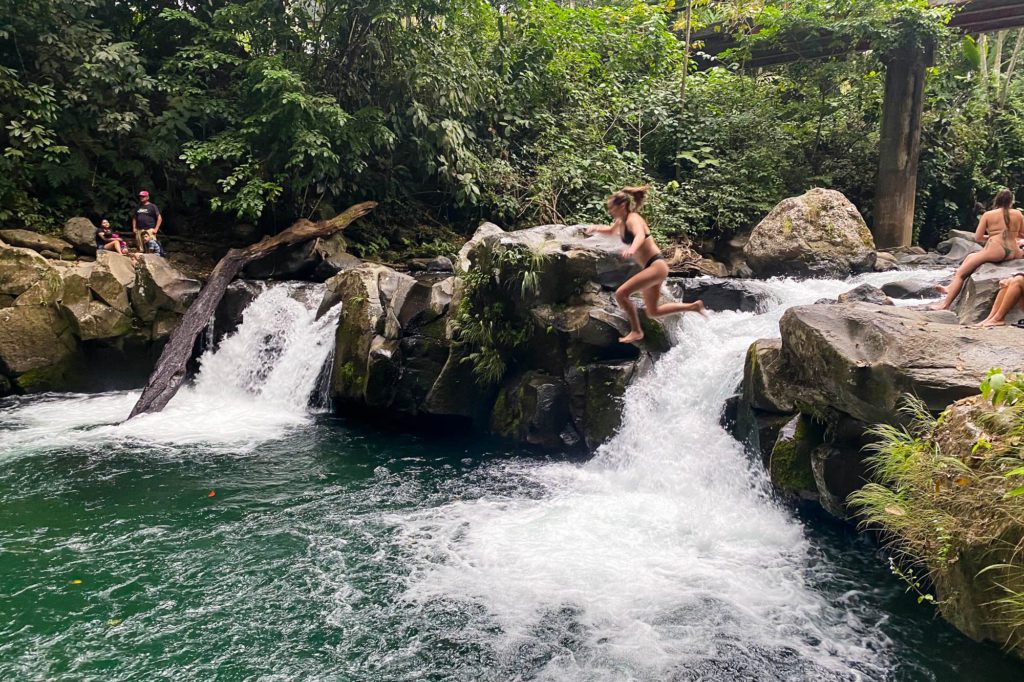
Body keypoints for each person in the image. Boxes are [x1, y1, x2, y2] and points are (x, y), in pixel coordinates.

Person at [585, 186, 706, 344]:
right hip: (653, 267)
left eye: (611, 208)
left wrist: (632, 249)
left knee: (621, 294)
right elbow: (609, 231)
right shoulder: (621, 221)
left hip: (655, 265)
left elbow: (640, 235)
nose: (610, 211)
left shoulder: (633, 219)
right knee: (653, 311)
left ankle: (636, 331)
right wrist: (595, 228)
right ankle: (693, 307)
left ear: (621, 206)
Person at [932, 188, 1023, 310]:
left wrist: (993, 236)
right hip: (1014, 252)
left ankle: (945, 304)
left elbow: (978, 237)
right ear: (1011, 201)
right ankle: (949, 287)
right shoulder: (1018, 214)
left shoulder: (988, 215)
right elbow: (1022, 234)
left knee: (960, 274)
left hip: (996, 250)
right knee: (971, 256)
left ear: (997, 200)